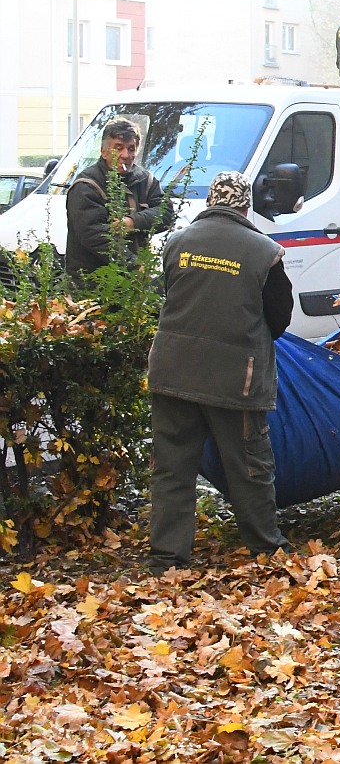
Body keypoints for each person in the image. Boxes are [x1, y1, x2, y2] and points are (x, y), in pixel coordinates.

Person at [147, 172, 293, 572]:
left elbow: (172, 295)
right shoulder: (265, 252)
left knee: (172, 468)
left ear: (209, 201)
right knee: (249, 465)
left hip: (172, 372)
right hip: (236, 380)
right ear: (245, 206)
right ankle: (266, 548)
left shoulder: (176, 243)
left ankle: (166, 559)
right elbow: (279, 318)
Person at [64, 116, 173, 278]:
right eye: (118, 148)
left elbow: (166, 213)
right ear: (104, 151)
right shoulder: (86, 185)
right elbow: (95, 236)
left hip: (132, 281)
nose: (125, 155)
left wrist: (132, 222)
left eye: (131, 148)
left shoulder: (145, 180)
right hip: (92, 282)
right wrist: (134, 265)